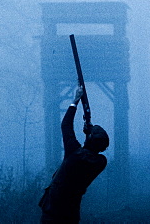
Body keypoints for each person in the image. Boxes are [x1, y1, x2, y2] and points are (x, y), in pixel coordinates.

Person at [39, 86, 108, 223]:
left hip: (52, 210)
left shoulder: (74, 152)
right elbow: (90, 152)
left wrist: (75, 100)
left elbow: (66, 125)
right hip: (71, 211)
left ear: (90, 138)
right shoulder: (101, 162)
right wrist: (90, 133)